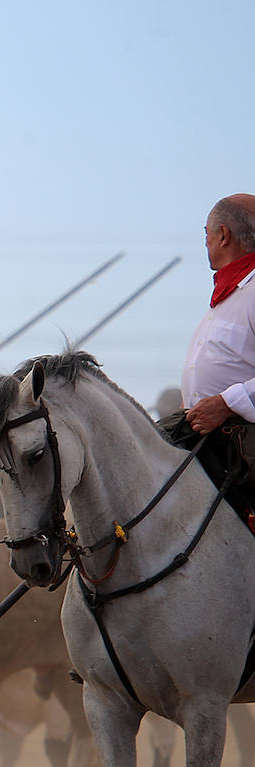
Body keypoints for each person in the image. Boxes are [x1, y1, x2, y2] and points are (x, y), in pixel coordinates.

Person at [164, 194, 255, 528]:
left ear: (223, 234)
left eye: (206, 235)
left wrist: (226, 403)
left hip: (239, 439)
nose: (206, 243)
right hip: (208, 432)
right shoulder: (231, 293)